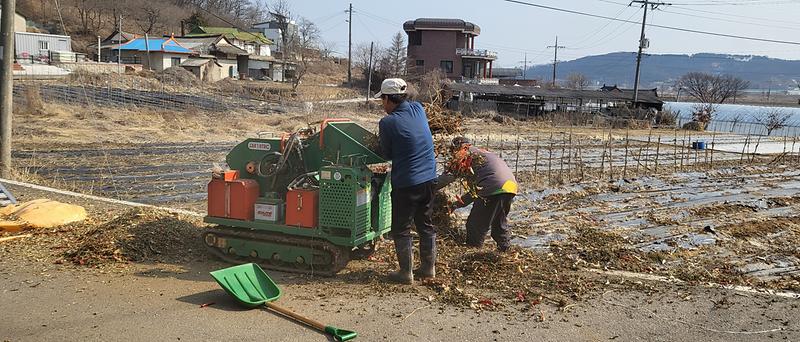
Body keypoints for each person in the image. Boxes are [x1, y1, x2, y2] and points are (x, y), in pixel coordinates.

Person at [376, 78, 438, 284]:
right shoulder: (418, 109)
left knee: (401, 228)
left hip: (408, 183)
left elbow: (386, 154)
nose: (382, 105)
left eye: (382, 100)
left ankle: (405, 273)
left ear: (387, 99)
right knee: (425, 224)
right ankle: (428, 269)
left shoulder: (387, 122)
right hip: (429, 178)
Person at [438, 137, 518, 252]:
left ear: (460, 148)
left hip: (493, 187)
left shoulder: (465, 155)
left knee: (475, 224)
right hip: (509, 187)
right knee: (498, 222)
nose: (452, 154)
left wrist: (428, 188)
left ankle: (473, 252)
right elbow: (475, 193)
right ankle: (505, 250)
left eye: (453, 151)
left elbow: (446, 178)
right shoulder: (481, 153)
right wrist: (456, 205)